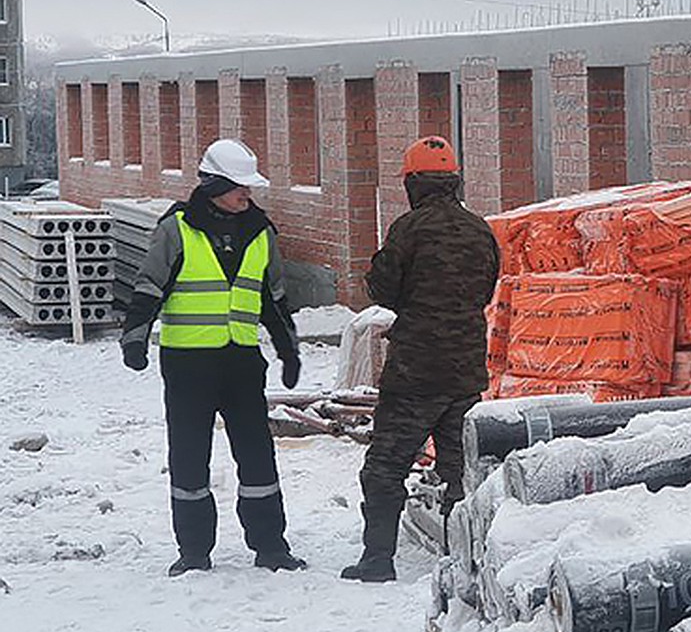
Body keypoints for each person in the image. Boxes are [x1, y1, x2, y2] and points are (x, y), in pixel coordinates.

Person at [121, 138, 306, 577]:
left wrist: (288, 349)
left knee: (258, 457)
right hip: (188, 365)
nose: (248, 195)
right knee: (189, 457)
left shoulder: (261, 231)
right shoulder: (177, 228)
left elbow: (273, 298)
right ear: (216, 184)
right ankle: (194, 551)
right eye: (241, 187)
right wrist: (134, 336)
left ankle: (270, 546)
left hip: (241, 364)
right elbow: (150, 285)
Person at [341, 135, 500, 583]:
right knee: (461, 471)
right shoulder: (480, 230)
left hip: (414, 374)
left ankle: (376, 561)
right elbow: (486, 291)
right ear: (454, 181)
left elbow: (384, 291)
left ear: (413, 182)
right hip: (465, 371)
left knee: (386, 466)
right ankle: (465, 560)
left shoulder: (408, 230)